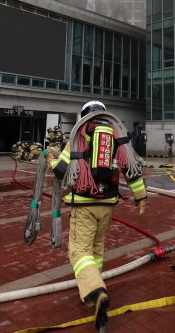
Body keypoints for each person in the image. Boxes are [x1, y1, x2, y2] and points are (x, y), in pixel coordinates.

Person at [47, 100, 147, 331]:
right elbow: (131, 168)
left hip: (84, 204)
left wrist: (51, 158)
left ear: (84, 115)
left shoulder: (78, 136)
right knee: (97, 247)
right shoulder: (117, 136)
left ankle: (96, 291)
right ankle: (92, 290)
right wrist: (140, 196)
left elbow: (63, 171)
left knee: (80, 252)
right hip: (108, 205)